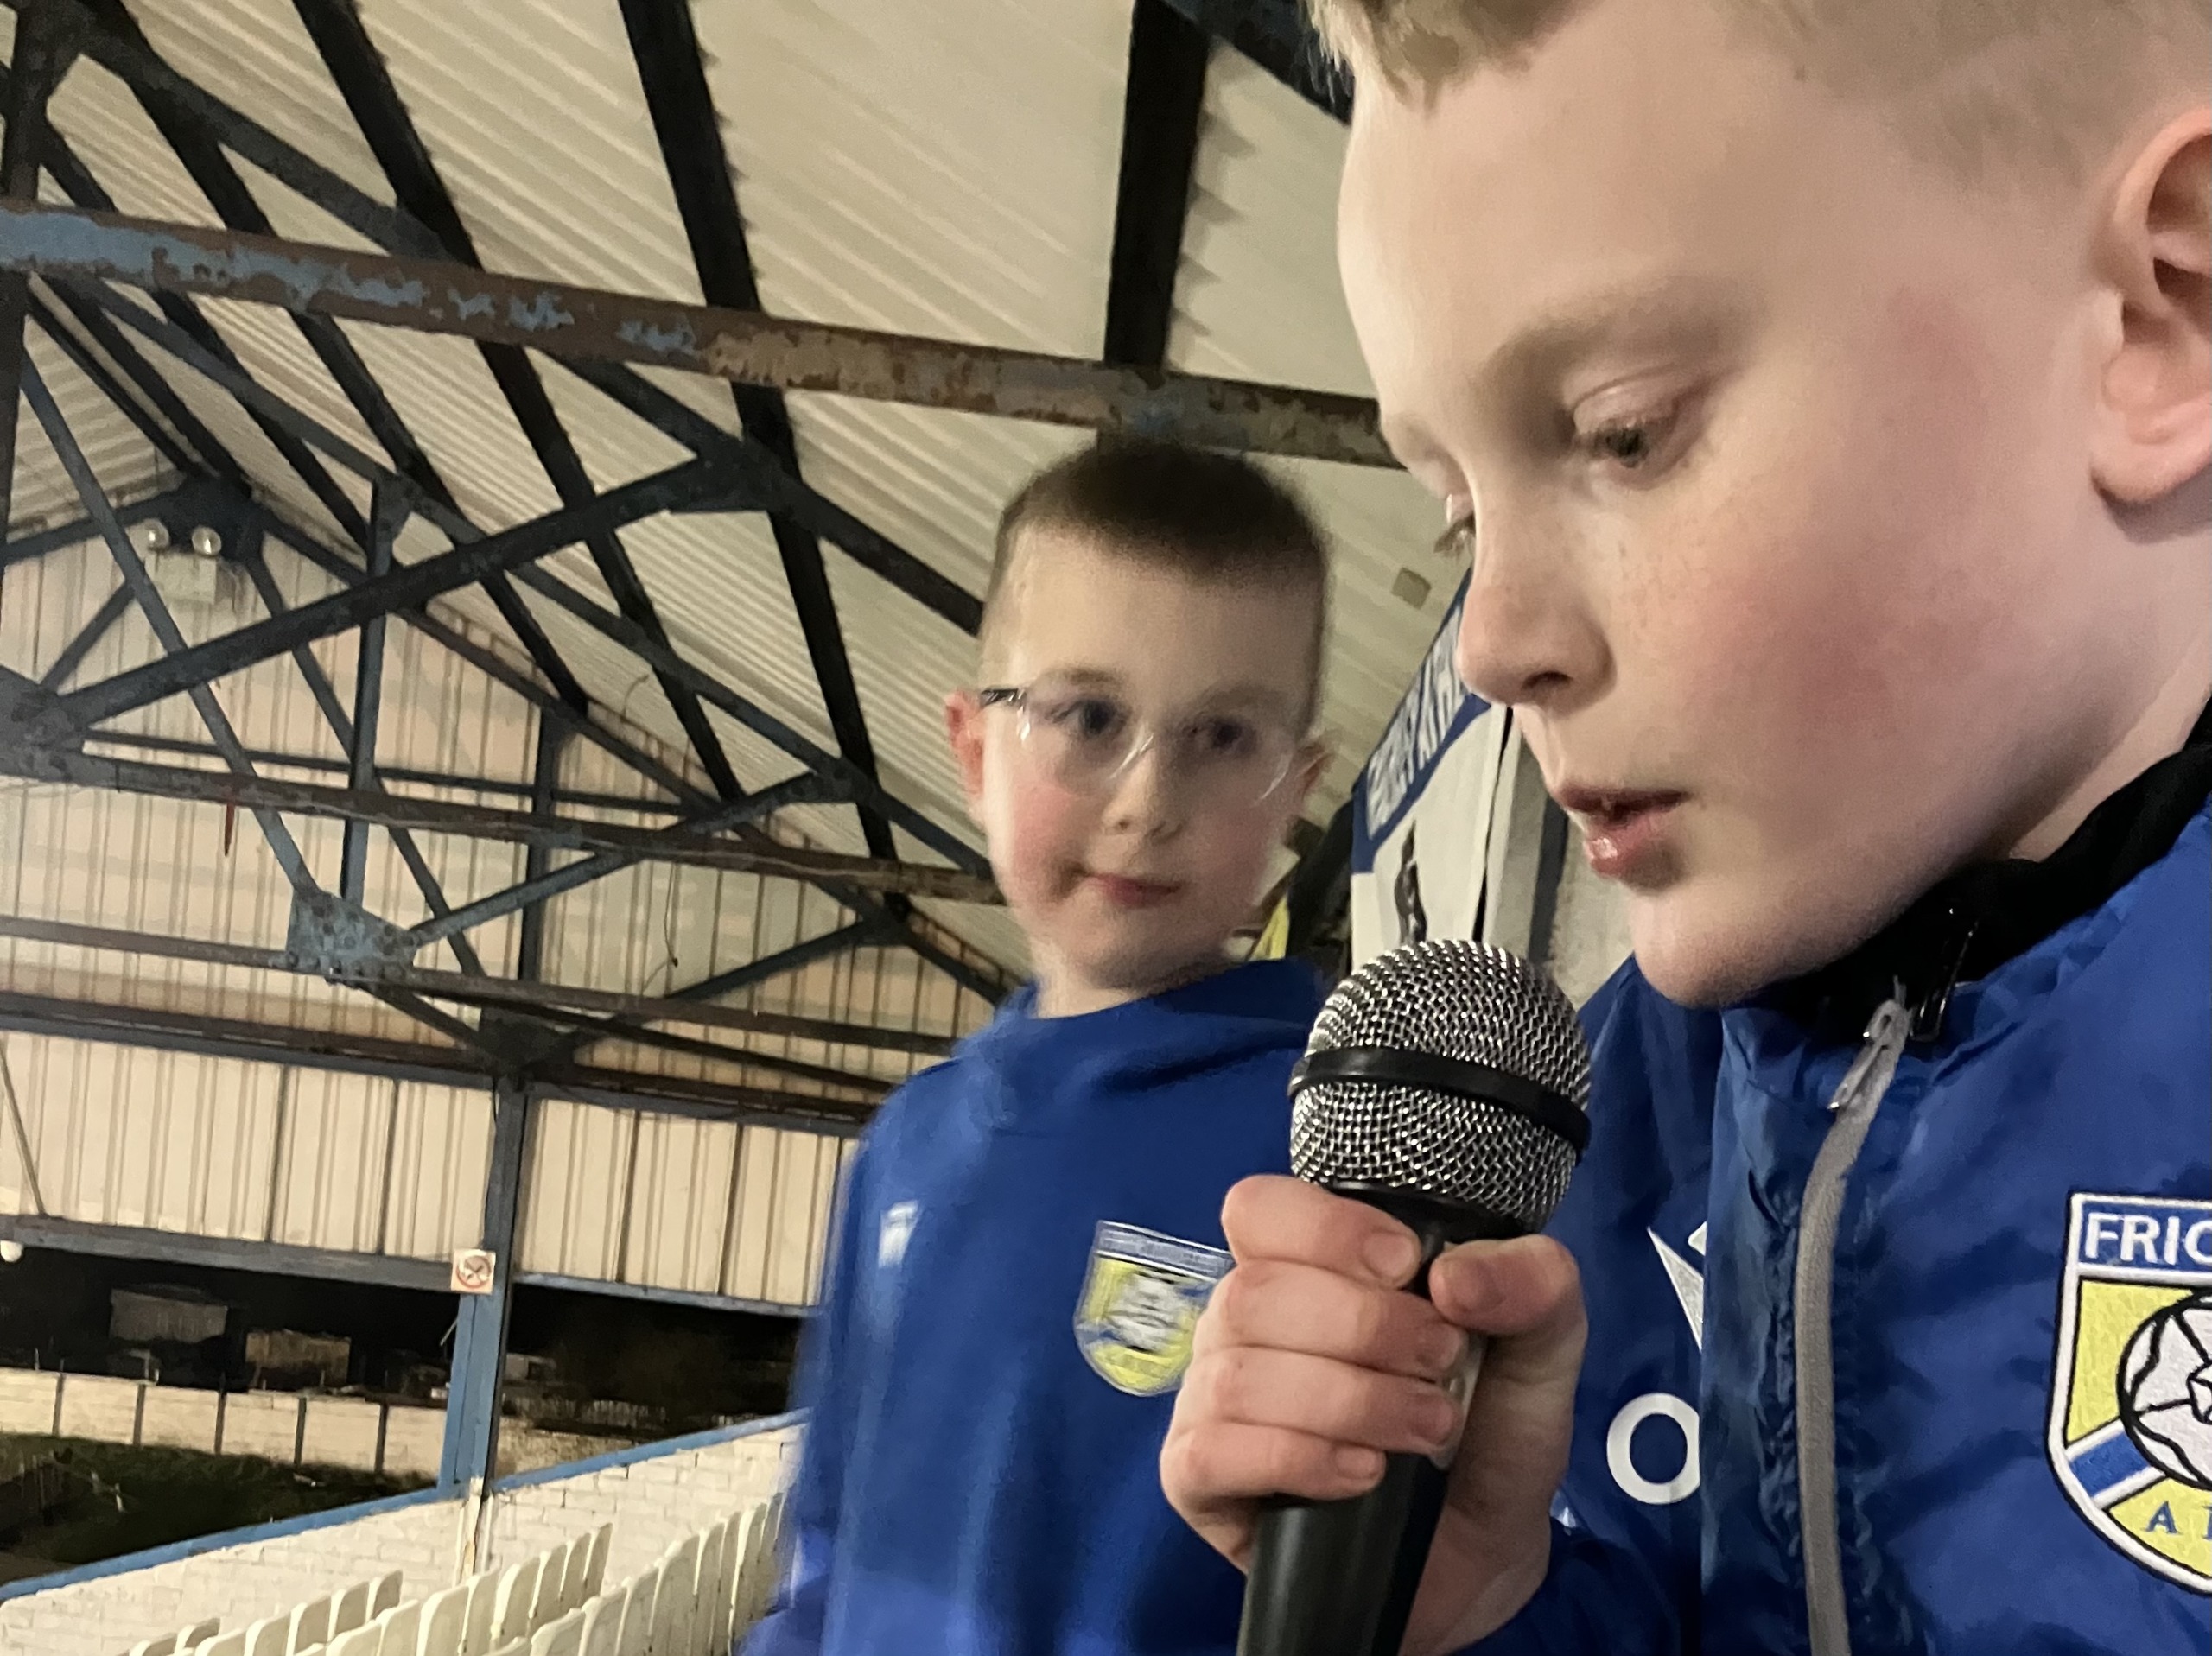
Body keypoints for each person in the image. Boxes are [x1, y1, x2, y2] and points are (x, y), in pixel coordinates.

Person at [1157, 1, 2212, 1652]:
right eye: (1455, 509)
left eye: (1621, 430)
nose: (1492, 635)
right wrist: (1480, 1611)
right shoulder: (1608, 1125)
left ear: (2165, 319)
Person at [744, 441, 1335, 1654]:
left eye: (1223, 736)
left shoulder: (1331, 1138)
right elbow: (828, 1542)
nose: (1147, 797)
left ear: (1296, 792)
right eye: (1090, 716)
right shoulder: (908, 1144)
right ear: (972, 751)